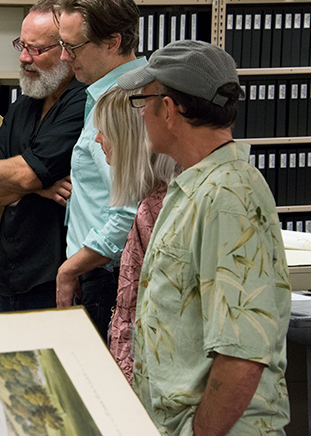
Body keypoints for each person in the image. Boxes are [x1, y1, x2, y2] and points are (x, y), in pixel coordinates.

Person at [119, 40, 291, 434]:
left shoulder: (228, 197)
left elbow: (242, 353)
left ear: (168, 108)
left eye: (143, 101)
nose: (141, 112)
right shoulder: (195, 186)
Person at [0, 0, 86, 312]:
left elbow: (24, 173)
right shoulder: (23, 105)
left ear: (66, 50)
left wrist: (3, 172)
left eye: (36, 49)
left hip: (58, 279)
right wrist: (40, 187)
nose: (24, 58)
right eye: (21, 45)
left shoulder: (83, 102)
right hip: (12, 273)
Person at [54, 0, 145, 341]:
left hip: (105, 279)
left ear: (113, 41)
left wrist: (70, 269)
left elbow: (128, 209)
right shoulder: (105, 92)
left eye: (72, 47)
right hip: (95, 273)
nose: (63, 57)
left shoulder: (123, 103)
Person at [92, 86, 179, 384]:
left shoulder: (157, 208)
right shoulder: (152, 201)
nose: (97, 139)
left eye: (104, 131)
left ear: (127, 140)